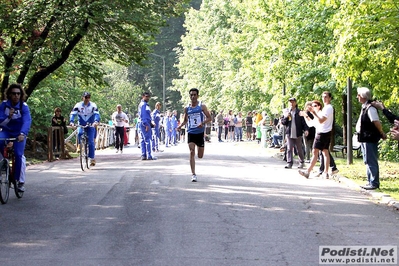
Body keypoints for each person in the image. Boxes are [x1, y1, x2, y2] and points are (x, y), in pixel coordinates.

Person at [0, 84, 32, 192]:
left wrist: (23, 133)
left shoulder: (24, 106)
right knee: (0, 141)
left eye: (18, 93)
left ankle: (18, 180)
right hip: (7, 131)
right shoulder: (4, 105)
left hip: (19, 134)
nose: (16, 96)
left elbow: (27, 121)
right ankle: (4, 164)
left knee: (18, 154)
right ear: (9, 94)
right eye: (14, 93)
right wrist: (8, 116)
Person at [177, 88, 212, 182]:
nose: (193, 96)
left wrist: (203, 123)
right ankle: (193, 174)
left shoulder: (202, 106)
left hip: (200, 133)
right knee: (191, 151)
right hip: (191, 132)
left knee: (200, 155)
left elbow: (209, 118)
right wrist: (180, 126)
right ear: (189, 96)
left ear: (197, 96)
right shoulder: (187, 108)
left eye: (194, 95)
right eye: (191, 95)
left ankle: (199, 149)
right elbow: (185, 120)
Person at [356, 87, 386, 190]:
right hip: (365, 138)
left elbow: (376, 122)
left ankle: (374, 183)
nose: (357, 97)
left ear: (363, 96)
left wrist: (381, 132)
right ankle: (370, 181)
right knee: (367, 160)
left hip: (369, 138)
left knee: (371, 160)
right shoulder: (365, 107)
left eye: (358, 95)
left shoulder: (370, 108)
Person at [298, 92, 334, 179]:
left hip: (322, 133)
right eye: (323, 97)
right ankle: (325, 172)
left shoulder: (328, 108)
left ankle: (308, 171)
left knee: (315, 152)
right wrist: (305, 115)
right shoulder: (325, 109)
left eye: (326, 97)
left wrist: (313, 112)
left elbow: (321, 121)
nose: (324, 98)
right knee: (325, 152)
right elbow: (312, 123)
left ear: (330, 98)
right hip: (323, 132)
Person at [70, 92, 100, 166]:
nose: (87, 99)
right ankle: (79, 145)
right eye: (86, 97)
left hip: (91, 124)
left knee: (91, 141)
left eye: (88, 97)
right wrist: (71, 122)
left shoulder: (93, 105)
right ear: (82, 97)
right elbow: (73, 114)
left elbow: (97, 114)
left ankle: (92, 158)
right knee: (79, 133)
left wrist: (96, 121)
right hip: (81, 124)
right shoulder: (78, 105)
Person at [281, 97, 308, 169]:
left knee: (299, 149)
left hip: (298, 133)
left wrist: (306, 130)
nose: (291, 103)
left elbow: (304, 123)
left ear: (295, 103)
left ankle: (301, 162)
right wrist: (286, 117)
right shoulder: (286, 112)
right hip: (289, 133)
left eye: (292, 102)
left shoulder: (299, 112)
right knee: (289, 148)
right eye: (290, 102)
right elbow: (283, 122)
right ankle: (289, 163)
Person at [138, 92, 156, 160]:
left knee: (143, 139)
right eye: (146, 96)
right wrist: (146, 124)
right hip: (144, 123)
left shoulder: (145, 105)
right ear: (143, 96)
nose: (147, 98)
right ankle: (149, 155)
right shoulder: (143, 105)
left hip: (144, 122)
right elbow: (143, 115)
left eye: (148, 96)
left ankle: (144, 155)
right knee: (148, 139)